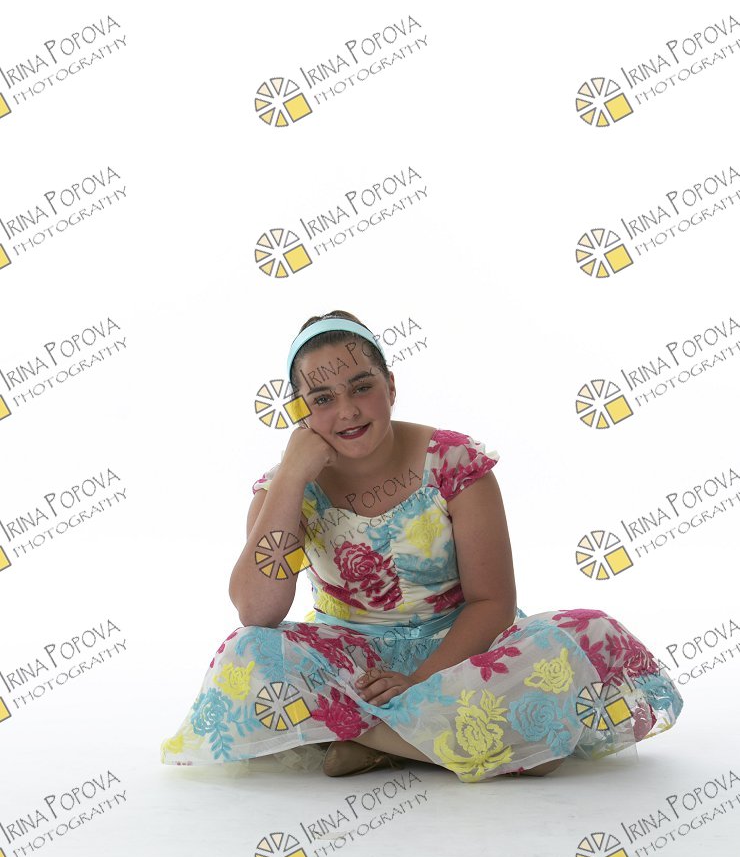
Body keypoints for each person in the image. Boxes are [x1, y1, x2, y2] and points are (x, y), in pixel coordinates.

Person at [160, 311, 684, 781]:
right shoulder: (283, 488)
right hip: (351, 662)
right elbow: (258, 610)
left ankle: (369, 740)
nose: (347, 410)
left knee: (588, 632)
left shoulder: (453, 464)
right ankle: (468, 745)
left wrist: (418, 681)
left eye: (361, 387)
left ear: (390, 385)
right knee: (247, 652)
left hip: (460, 650)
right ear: (301, 412)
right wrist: (292, 478)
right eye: (322, 399)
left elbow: (492, 602)